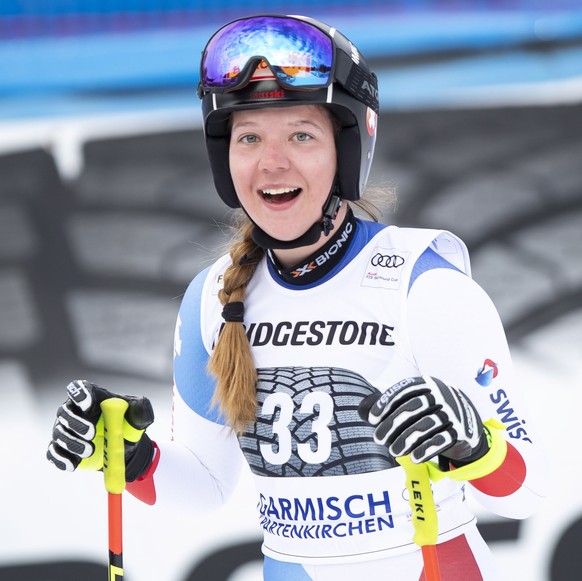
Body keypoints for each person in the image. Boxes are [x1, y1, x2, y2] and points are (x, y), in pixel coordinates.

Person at [47, 14, 548, 580]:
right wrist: (126, 454)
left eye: (301, 135)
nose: (272, 162)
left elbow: (524, 492)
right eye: (250, 138)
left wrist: (474, 443)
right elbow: (204, 488)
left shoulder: (422, 286)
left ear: (348, 149)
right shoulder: (212, 297)